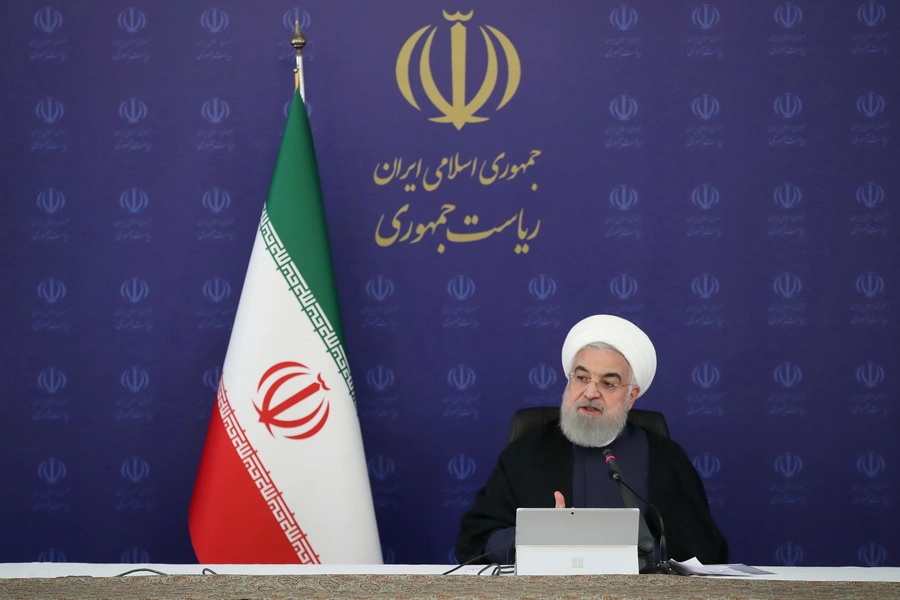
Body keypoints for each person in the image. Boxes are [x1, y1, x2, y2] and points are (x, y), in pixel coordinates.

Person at [455, 314, 728, 567]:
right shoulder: (524, 455)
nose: (590, 392)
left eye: (608, 383)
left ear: (631, 396)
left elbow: (704, 552)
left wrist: (642, 554)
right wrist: (533, 538)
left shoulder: (665, 459)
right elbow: (475, 542)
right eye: (582, 377)